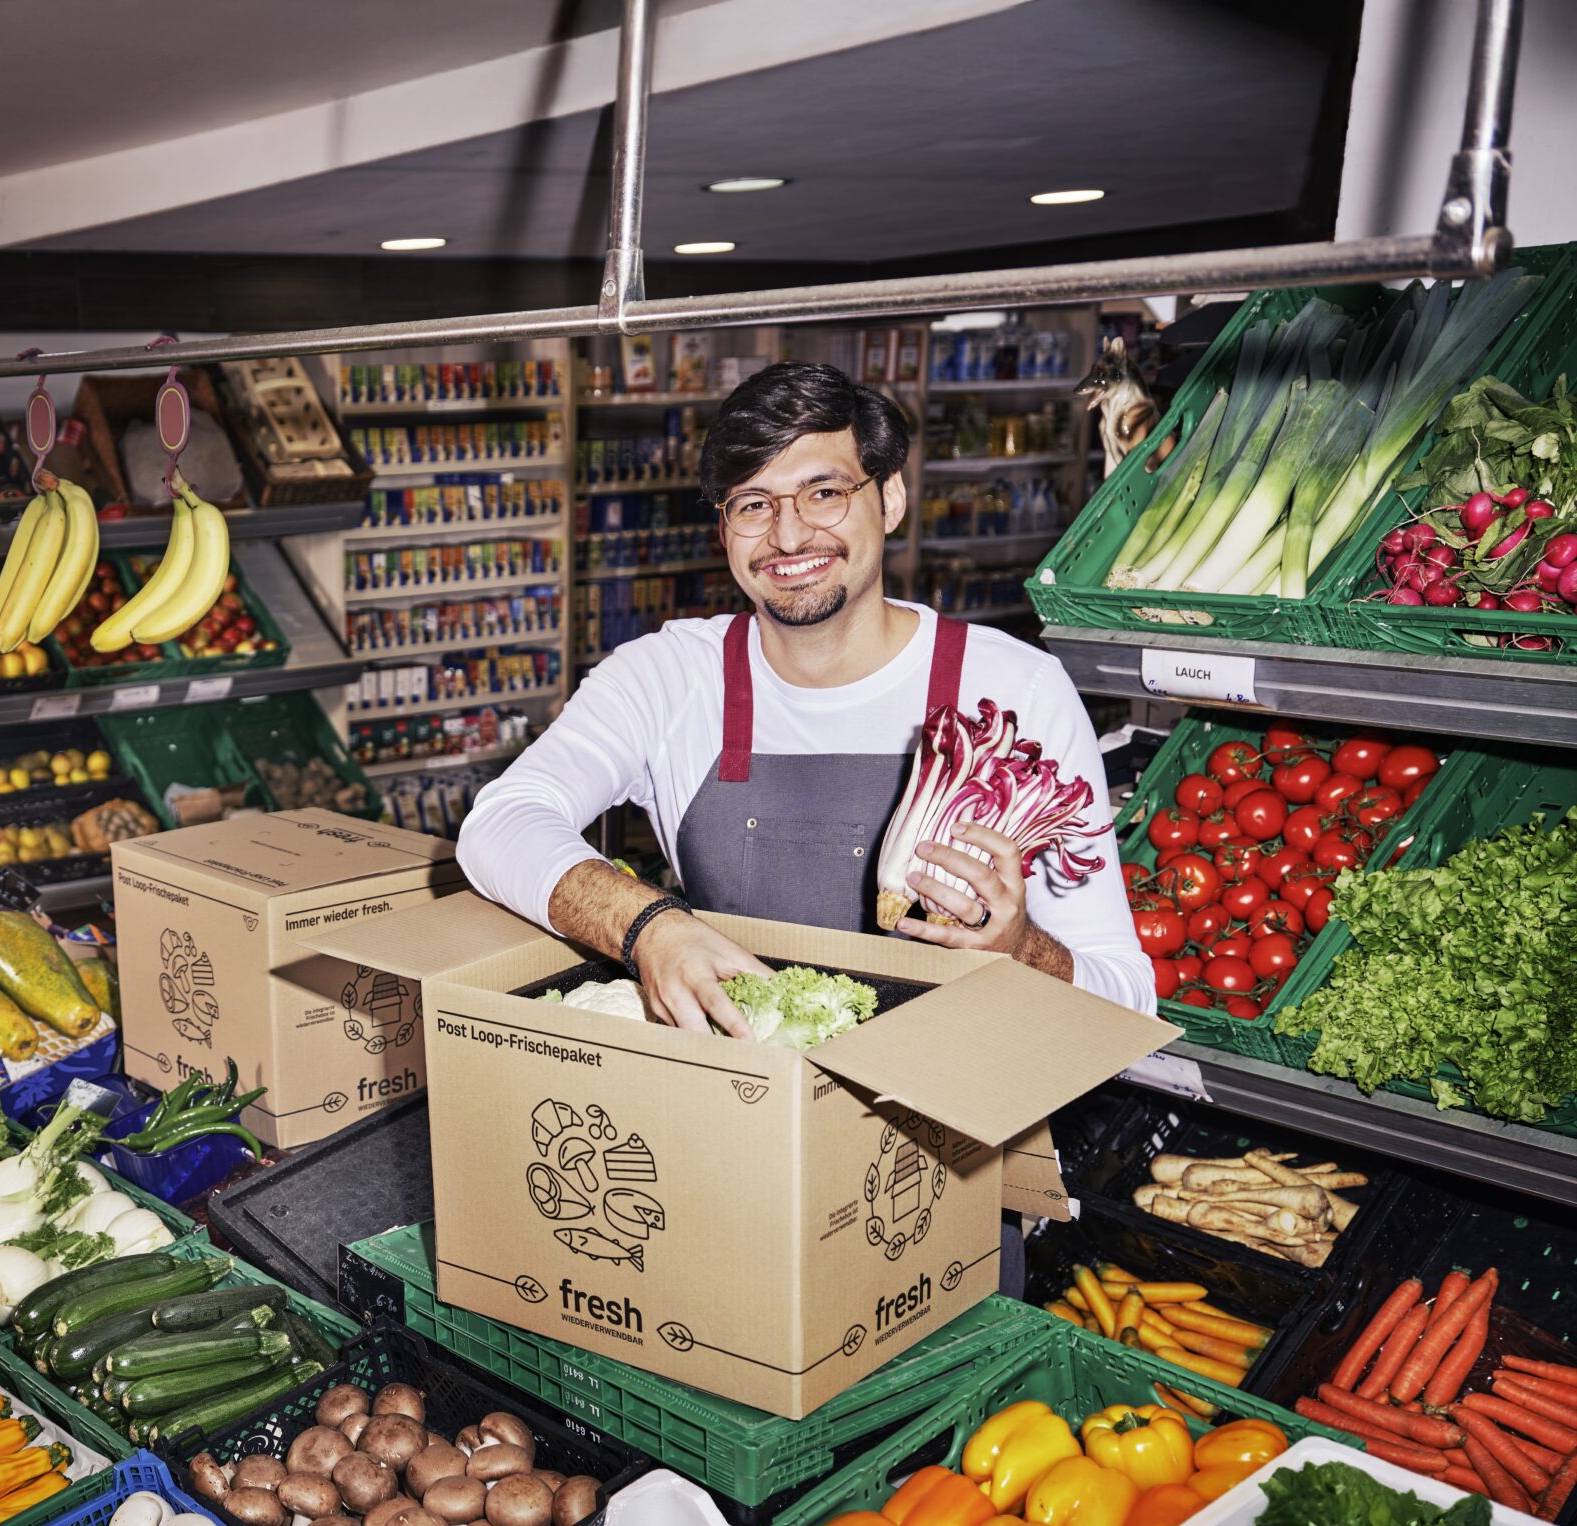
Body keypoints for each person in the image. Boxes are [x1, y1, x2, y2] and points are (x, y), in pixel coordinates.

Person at [456, 359, 1153, 1038]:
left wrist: (1022, 950)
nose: (788, 536)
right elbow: (500, 824)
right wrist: (650, 927)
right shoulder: (665, 676)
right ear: (724, 530)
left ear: (891, 500)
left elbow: (1128, 1002)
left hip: (942, 1125)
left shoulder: (1012, 691)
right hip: (747, 1101)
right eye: (753, 505)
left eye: (825, 493)